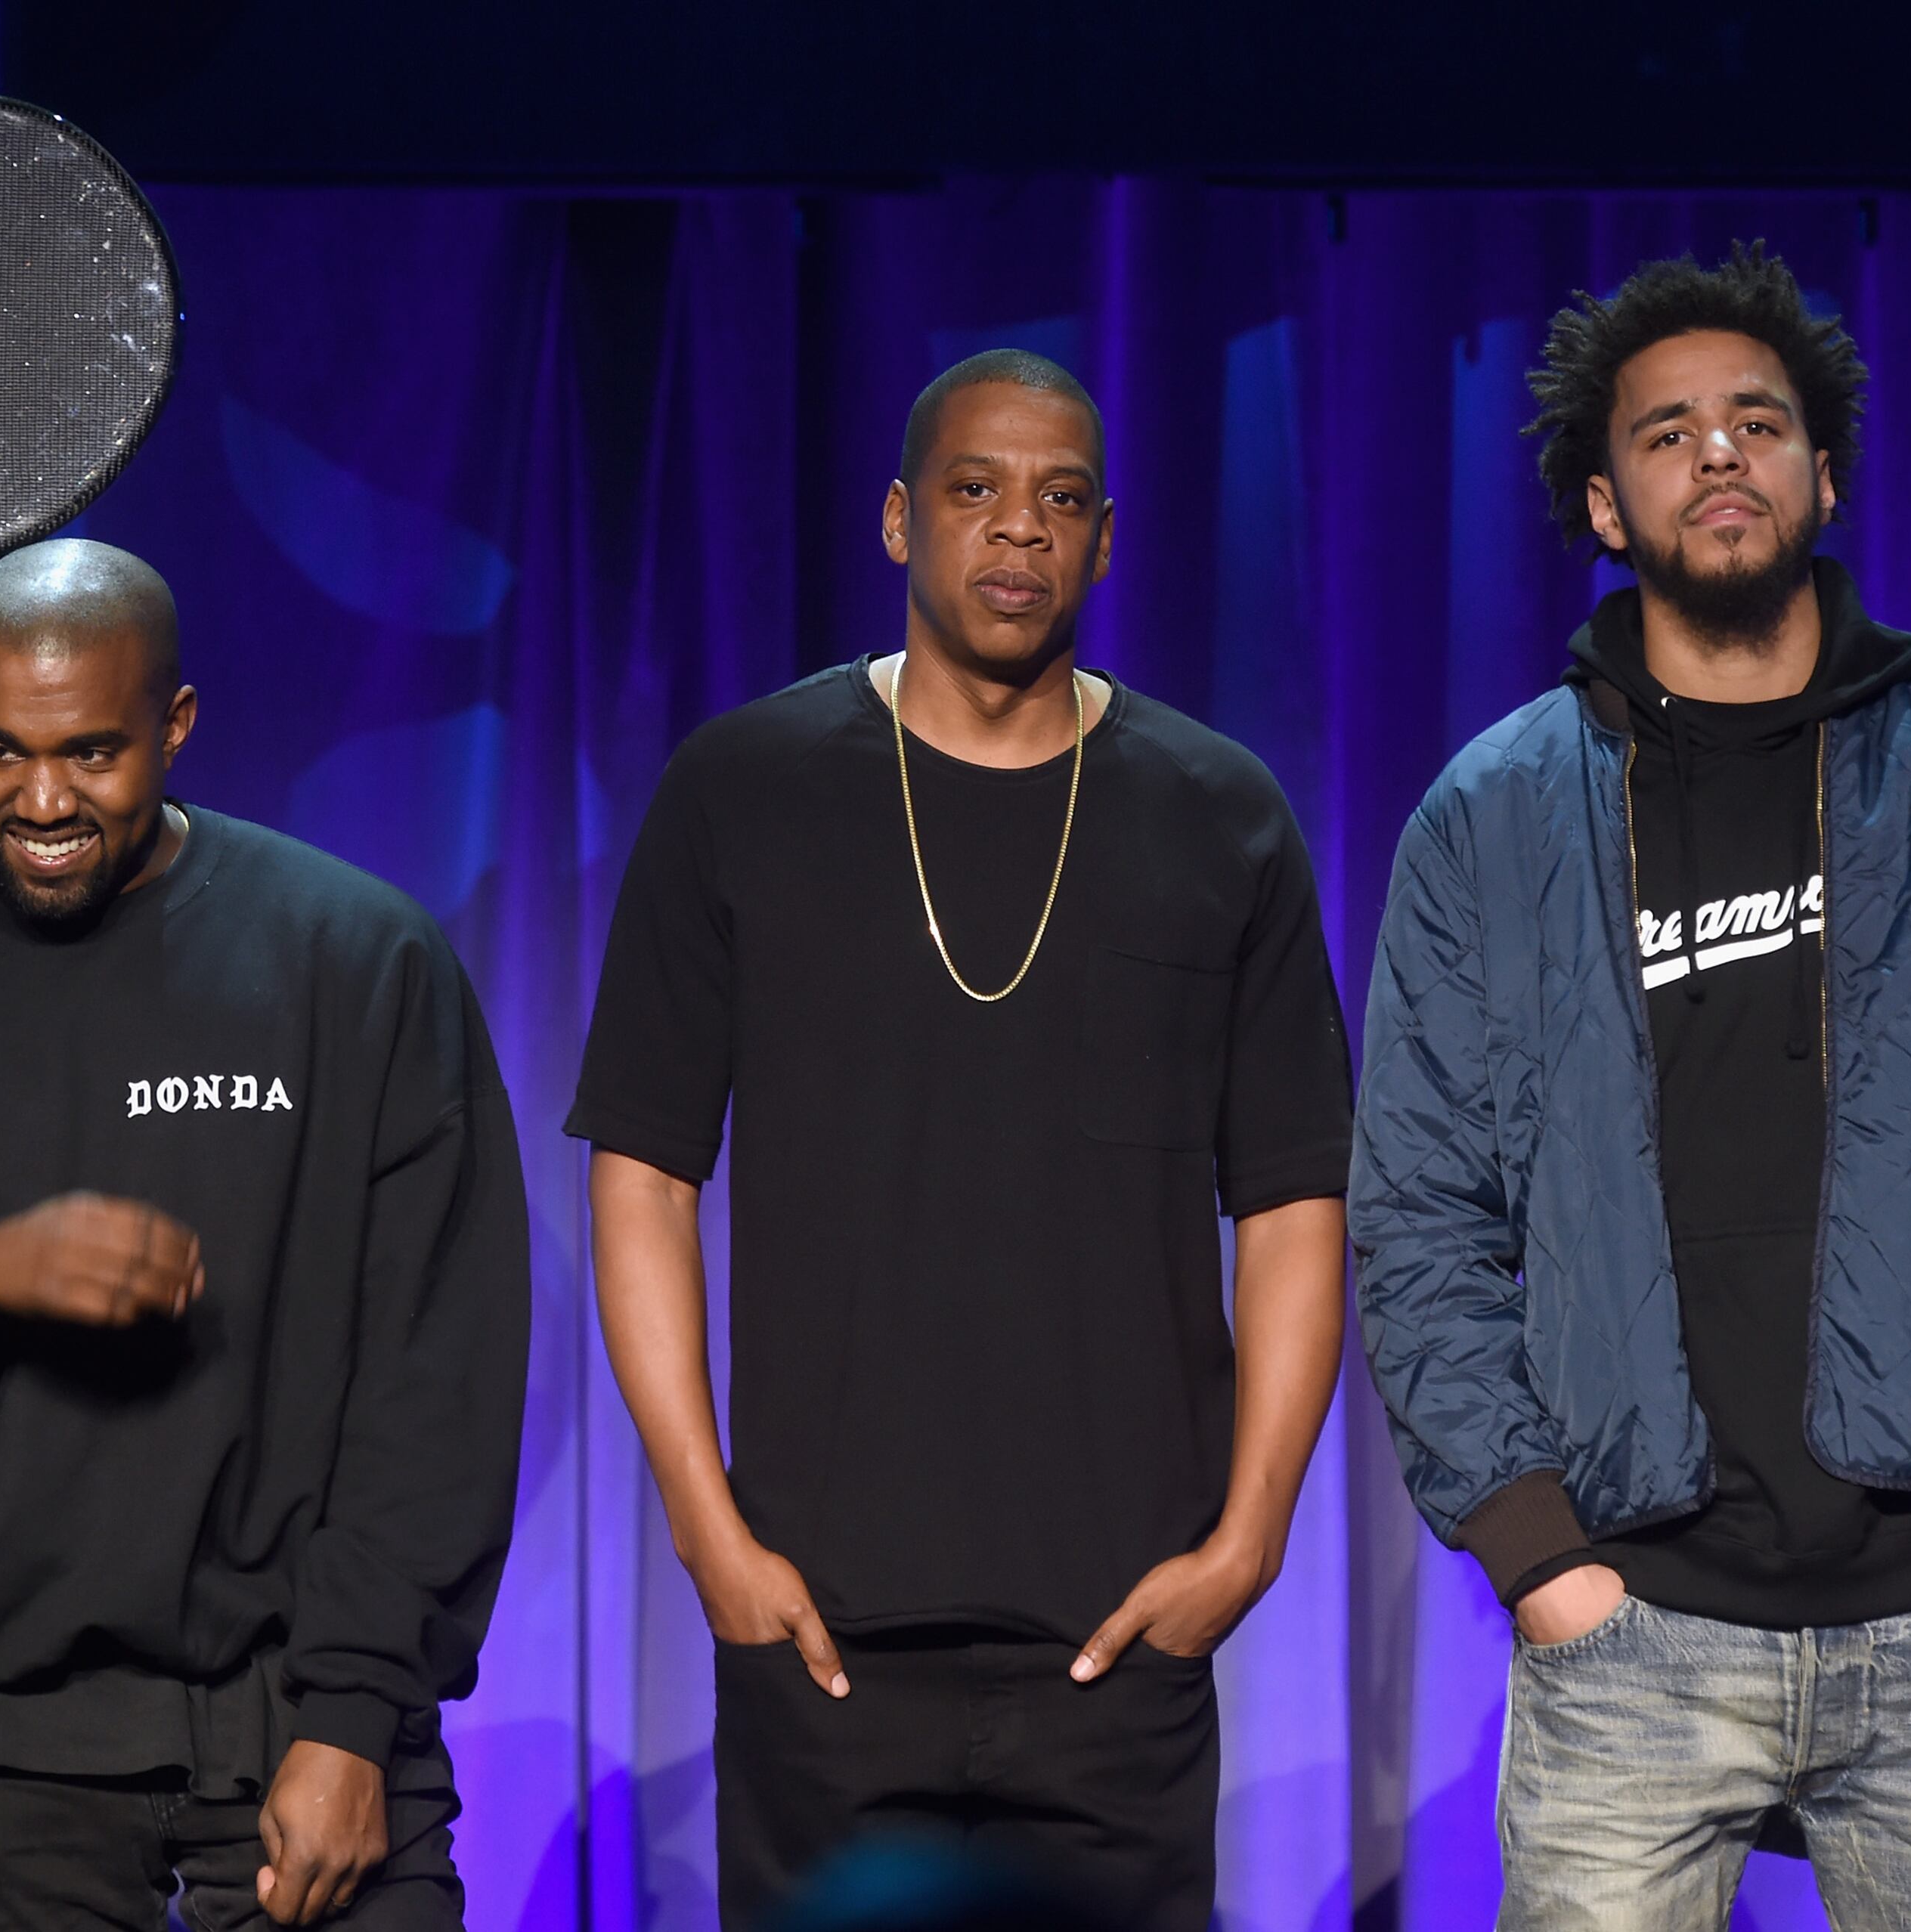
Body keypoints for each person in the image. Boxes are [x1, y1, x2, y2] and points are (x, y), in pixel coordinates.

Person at [1351, 244, 1911, 1927]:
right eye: (1666, 434)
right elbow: (1420, 1220)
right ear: (1603, 505)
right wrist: (1544, 1567)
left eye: (1755, 421)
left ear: (1825, 472)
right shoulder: (1491, 816)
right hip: (1628, 1632)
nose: (1717, 454)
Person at [571, 351, 1355, 1931]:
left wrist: (1251, 1542)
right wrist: (706, 1531)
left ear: (1109, 538)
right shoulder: (747, 789)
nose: (1018, 533)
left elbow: (1292, 1207)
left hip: (1124, 1639)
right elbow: (643, 1175)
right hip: (824, 1639)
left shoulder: (1223, 815)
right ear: (897, 520)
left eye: (1061, 500)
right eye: (976, 492)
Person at [0, 539, 530, 1932]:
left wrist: (354, 1720)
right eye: (0, 751)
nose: (42, 800)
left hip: (300, 1733)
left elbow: (436, 1376)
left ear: (175, 727)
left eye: (90, 752)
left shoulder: (354, 962)